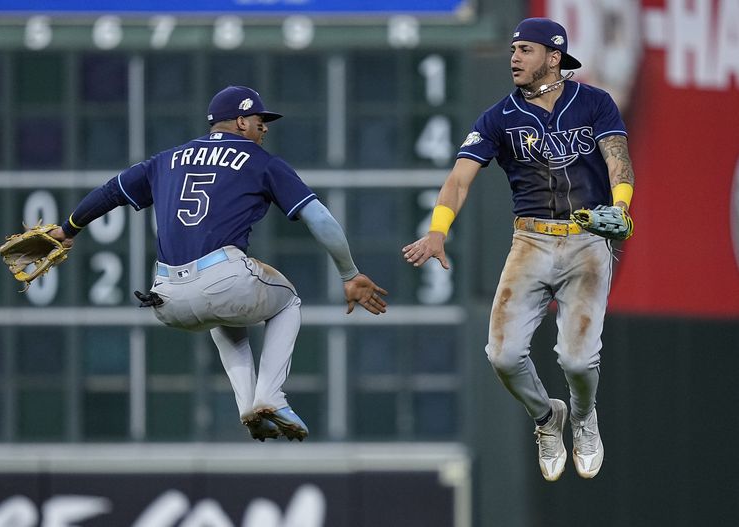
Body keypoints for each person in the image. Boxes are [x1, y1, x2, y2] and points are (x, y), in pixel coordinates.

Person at [49, 85, 388, 442]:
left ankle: (248, 405)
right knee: (287, 301)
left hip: (166, 298)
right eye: (260, 119)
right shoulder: (261, 161)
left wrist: (69, 228)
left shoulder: (165, 160)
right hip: (222, 278)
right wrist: (349, 273)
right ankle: (270, 396)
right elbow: (319, 218)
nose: (265, 127)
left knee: (224, 312)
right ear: (241, 121)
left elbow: (110, 191)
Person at [402, 18, 635, 480]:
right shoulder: (499, 117)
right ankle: (549, 419)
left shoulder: (594, 102)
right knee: (502, 355)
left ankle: (584, 417)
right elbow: (459, 178)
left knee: (577, 359)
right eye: (513, 49)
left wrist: (622, 206)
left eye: (525, 50)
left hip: (587, 238)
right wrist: (438, 230)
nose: (514, 57)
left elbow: (618, 159)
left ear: (554, 57)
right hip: (530, 240)